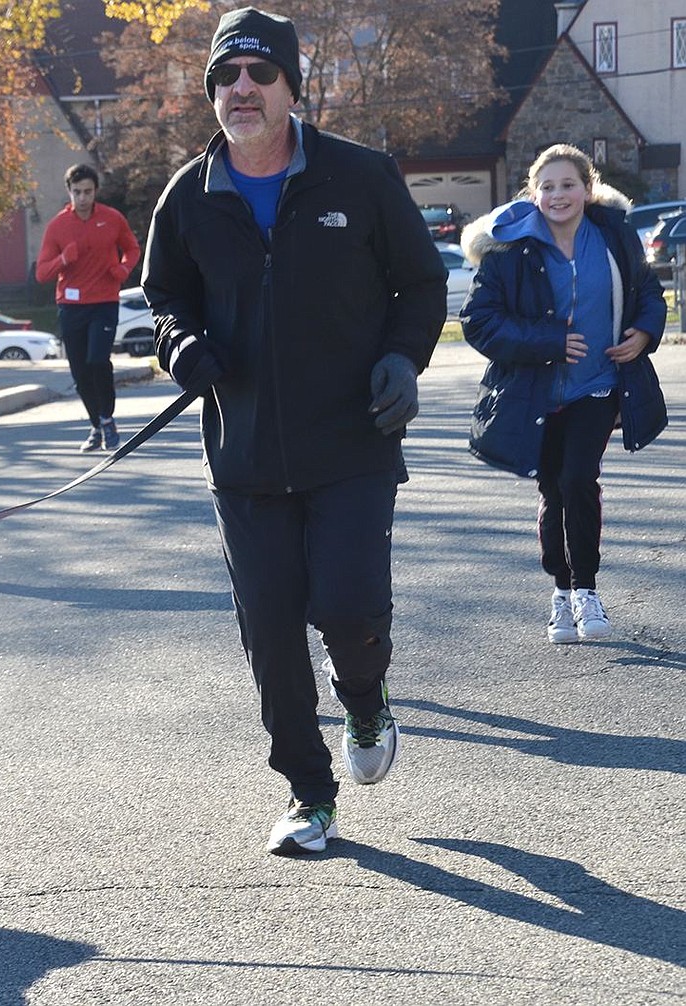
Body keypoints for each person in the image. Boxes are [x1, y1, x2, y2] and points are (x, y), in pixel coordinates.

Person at [142, 7, 446, 855]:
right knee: (272, 634)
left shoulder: (361, 177)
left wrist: (403, 359)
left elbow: (421, 286)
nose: (241, 89)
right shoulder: (188, 196)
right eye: (225, 77)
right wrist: (182, 345)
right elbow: (164, 297)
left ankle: (365, 700)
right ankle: (310, 794)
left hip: (352, 443)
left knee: (347, 608)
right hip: (242, 456)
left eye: (258, 74)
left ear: (290, 88)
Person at [460, 143, 667, 644]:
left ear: (587, 188)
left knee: (578, 478)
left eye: (568, 184)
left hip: (597, 387)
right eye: (547, 186)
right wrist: (548, 341)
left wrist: (643, 332)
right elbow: (478, 321)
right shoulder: (508, 249)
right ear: (533, 193)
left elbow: (647, 293)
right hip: (534, 394)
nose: (558, 195)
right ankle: (560, 590)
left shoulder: (613, 235)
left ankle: (586, 590)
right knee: (552, 488)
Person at [35, 164, 141, 453]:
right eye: (77, 192)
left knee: (97, 360)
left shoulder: (112, 218)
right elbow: (42, 273)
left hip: (104, 302)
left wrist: (123, 269)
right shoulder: (58, 226)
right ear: (69, 191)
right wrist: (63, 260)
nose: (83, 198)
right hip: (71, 306)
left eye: (88, 192)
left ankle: (107, 418)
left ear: (95, 191)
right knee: (80, 371)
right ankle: (97, 425)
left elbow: (132, 249)